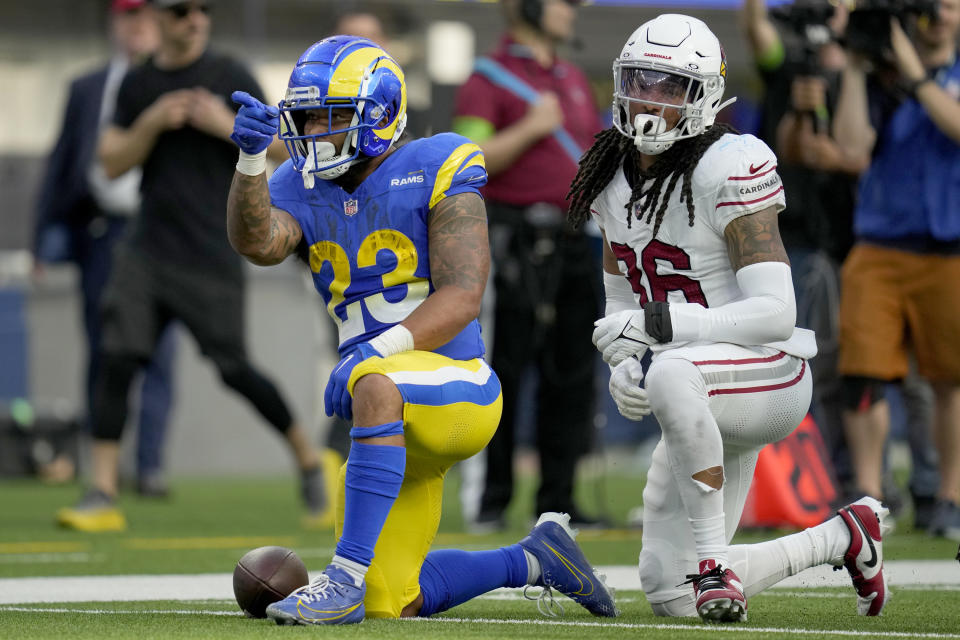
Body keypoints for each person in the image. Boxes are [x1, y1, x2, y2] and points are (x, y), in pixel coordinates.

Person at [225, 35, 617, 625]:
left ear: (378, 115)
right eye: (304, 117)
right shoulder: (300, 184)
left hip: (458, 387)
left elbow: (461, 297)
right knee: (394, 601)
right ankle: (536, 559)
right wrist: (251, 163)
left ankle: (343, 578)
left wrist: (371, 356)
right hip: (383, 410)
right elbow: (257, 243)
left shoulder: (437, 164)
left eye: (328, 118)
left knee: (376, 384)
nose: (312, 131)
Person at [568, 14, 889, 622]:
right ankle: (847, 536)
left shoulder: (731, 163)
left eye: (669, 86)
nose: (648, 99)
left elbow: (776, 312)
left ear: (705, 96)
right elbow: (620, 304)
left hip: (769, 372)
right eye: (638, 80)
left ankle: (716, 566)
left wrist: (667, 332)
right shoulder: (608, 177)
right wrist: (622, 362)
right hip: (692, 383)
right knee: (668, 594)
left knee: (672, 373)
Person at [55, 0, 323, 532]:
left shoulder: (230, 73)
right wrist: (153, 122)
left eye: (204, 9)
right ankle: (103, 493)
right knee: (116, 357)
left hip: (211, 251)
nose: (195, 18)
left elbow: (285, 150)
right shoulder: (139, 83)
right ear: (158, 16)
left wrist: (223, 123)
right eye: (181, 10)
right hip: (146, 248)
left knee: (235, 370)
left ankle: (310, 462)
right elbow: (109, 160)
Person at [742, 0, 941, 528]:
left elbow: (870, 154)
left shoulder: (897, 71)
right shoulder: (795, 66)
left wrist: (844, 157)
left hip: (887, 236)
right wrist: (805, 114)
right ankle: (847, 485)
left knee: (924, 379)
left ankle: (933, 490)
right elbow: (791, 148)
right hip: (821, 239)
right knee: (842, 371)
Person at [451, 0, 606, 532]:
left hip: (574, 240)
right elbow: (467, 157)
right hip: (512, 239)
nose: (573, 10)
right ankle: (490, 502)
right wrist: (533, 127)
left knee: (572, 376)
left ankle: (559, 502)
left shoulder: (572, 76)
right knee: (504, 373)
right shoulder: (487, 78)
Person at [33, 0, 178, 497]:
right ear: (114, 22)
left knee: (159, 355)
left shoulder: (181, 82)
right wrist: (40, 239)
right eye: (126, 14)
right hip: (102, 235)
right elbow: (62, 162)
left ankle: (151, 467)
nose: (136, 25)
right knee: (103, 352)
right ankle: (103, 473)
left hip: (162, 233)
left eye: (144, 14)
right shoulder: (87, 86)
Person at [832, 0, 960, 540]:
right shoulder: (883, 76)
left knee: (951, 381)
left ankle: (951, 498)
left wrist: (913, 72)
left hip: (949, 246)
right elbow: (851, 147)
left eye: (948, 6)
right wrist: (860, 68)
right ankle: (869, 499)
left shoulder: (937, 74)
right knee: (863, 375)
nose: (937, 16)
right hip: (880, 243)